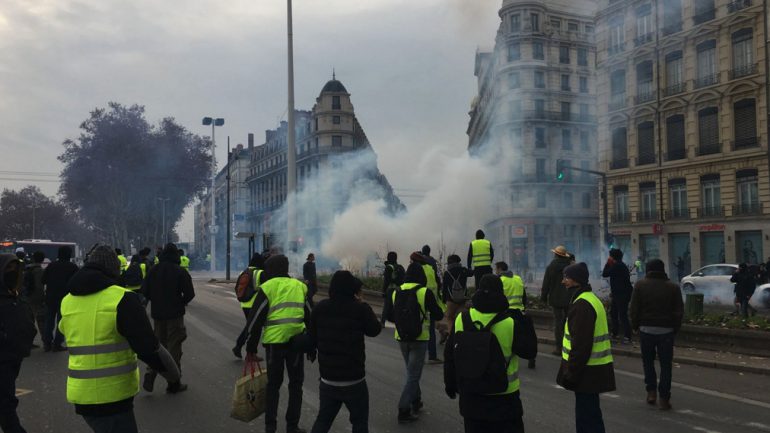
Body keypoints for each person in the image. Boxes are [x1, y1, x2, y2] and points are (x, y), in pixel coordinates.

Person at [59, 245, 180, 433]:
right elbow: (148, 347)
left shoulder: (67, 300)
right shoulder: (122, 299)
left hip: (81, 393)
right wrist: (173, 375)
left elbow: (65, 330)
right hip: (112, 395)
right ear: (113, 270)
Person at [444, 274, 537, 433]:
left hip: (471, 397)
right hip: (504, 399)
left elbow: (450, 357)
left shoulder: (461, 319)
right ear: (501, 293)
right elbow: (530, 352)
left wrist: (451, 385)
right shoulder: (510, 322)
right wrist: (526, 321)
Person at [244, 254, 312, 433]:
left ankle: (270, 427)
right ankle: (292, 426)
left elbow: (255, 320)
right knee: (296, 385)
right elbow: (310, 317)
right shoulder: (300, 287)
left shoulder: (267, 288)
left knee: (273, 385)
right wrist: (313, 345)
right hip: (297, 344)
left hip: (275, 345)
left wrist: (251, 346)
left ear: (272, 269)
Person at [308, 271, 381, 433]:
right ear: (352, 289)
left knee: (323, 420)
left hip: (328, 379)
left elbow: (310, 339)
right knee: (360, 422)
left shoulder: (320, 308)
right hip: (354, 379)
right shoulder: (359, 309)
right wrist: (364, 304)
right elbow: (375, 330)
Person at [557, 262, 616, 433]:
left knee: (587, 419)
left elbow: (581, 346)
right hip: (593, 370)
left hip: (586, 372)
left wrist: (571, 373)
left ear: (576, 280)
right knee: (591, 415)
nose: (563, 281)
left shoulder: (582, 305)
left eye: (566, 278)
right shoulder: (589, 299)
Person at [384, 262, 444, 423]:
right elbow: (438, 315)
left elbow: (390, 316)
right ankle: (404, 409)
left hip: (401, 337)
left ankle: (416, 401)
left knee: (411, 373)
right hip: (420, 338)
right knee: (413, 375)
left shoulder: (397, 292)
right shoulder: (424, 292)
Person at [141, 243, 195, 394]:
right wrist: (180, 303)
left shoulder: (153, 270)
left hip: (158, 315)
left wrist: (156, 301)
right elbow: (190, 293)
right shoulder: (180, 271)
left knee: (157, 346)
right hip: (175, 316)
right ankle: (173, 383)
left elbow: (144, 291)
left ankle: (150, 373)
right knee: (174, 347)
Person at [630, 259, 683, 410]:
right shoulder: (673, 287)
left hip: (646, 330)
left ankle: (651, 392)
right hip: (666, 331)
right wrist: (674, 329)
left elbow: (634, 308)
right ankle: (664, 398)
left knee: (648, 362)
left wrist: (635, 326)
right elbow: (678, 311)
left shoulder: (640, 285)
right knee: (666, 366)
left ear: (648, 270)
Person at [0, 254, 37, 433]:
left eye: (16, 270)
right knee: (6, 404)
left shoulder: (15, 295)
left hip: (14, 357)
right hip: (4, 357)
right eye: (8, 269)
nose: (13, 274)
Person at [495, 261, 535, 369]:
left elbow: (497, 298)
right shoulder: (518, 278)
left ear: (499, 269)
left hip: (506, 313)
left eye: (496, 269)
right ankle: (531, 357)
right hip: (520, 311)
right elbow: (524, 296)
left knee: (507, 338)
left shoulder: (500, 280)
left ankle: (506, 358)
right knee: (525, 335)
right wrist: (523, 308)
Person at [41, 245, 79, 352]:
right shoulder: (72, 267)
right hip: (65, 298)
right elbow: (76, 282)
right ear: (69, 255)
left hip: (50, 297)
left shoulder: (51, 265)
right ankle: (57, 343)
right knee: (61, 321)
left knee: (49, 320)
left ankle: (47, 343)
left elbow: (43, 280)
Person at [232, 252, 266, 359]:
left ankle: (239, 346)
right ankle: (250, 354)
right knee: (256, 329)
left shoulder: (244, 271)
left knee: (250, 327)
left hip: (244, 304)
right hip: (255, 305)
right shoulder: (260, 273)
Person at [540, 245, 573, 356]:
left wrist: (543, 298)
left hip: (555, 299)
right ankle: (571, 346)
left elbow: (546, 284)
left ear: (555, 255)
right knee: (570, 322)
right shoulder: (570, 266)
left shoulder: (551, 267)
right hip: (569, 298)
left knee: (558, 323)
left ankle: (559, 348)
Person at [415, 247, 443, 363]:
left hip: (419, 299)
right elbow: (437, 282)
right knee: (430, 328)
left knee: (418, 327)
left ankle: (417, 355)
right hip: (431, 298)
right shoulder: (432, 265)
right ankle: (432, 355)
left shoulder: (416, 268)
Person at [602, 248, 633, 344]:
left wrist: (607, 263)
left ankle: (627, 336)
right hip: (619, 293)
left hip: (622, 294)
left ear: (612, 257)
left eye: (610, 256)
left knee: (622, 314)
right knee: (614, 313)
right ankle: (615, 333)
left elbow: (605, 274)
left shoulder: (617, 266)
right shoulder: (620, 265)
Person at [440, 254, 472, 336]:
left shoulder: (447, 273)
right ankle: (463, 335)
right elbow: (471, 273)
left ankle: (452, 337)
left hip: (451, 300)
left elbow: (444, 288)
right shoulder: (463, 270)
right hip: (462, 299)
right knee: (463, 318)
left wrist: (444, 300)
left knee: (449, 318)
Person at [20, 251, 46, 348]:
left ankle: (28, 342)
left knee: (29, 321)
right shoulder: (39, 271)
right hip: (36, 298)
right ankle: (46, 342)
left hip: (26, 297)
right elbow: (39, 287)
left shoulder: (26, 269)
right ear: (42, 260)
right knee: (41, 321)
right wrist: (42, 298)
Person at [381, 252, 405, 326]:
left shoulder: (389, 267)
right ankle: (400, 322)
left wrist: (383, 291)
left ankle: (382, 322)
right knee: (398, 307)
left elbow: (386, 281)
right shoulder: (400, 267)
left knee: (386, 306)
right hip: (399, 289)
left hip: (390, 289)